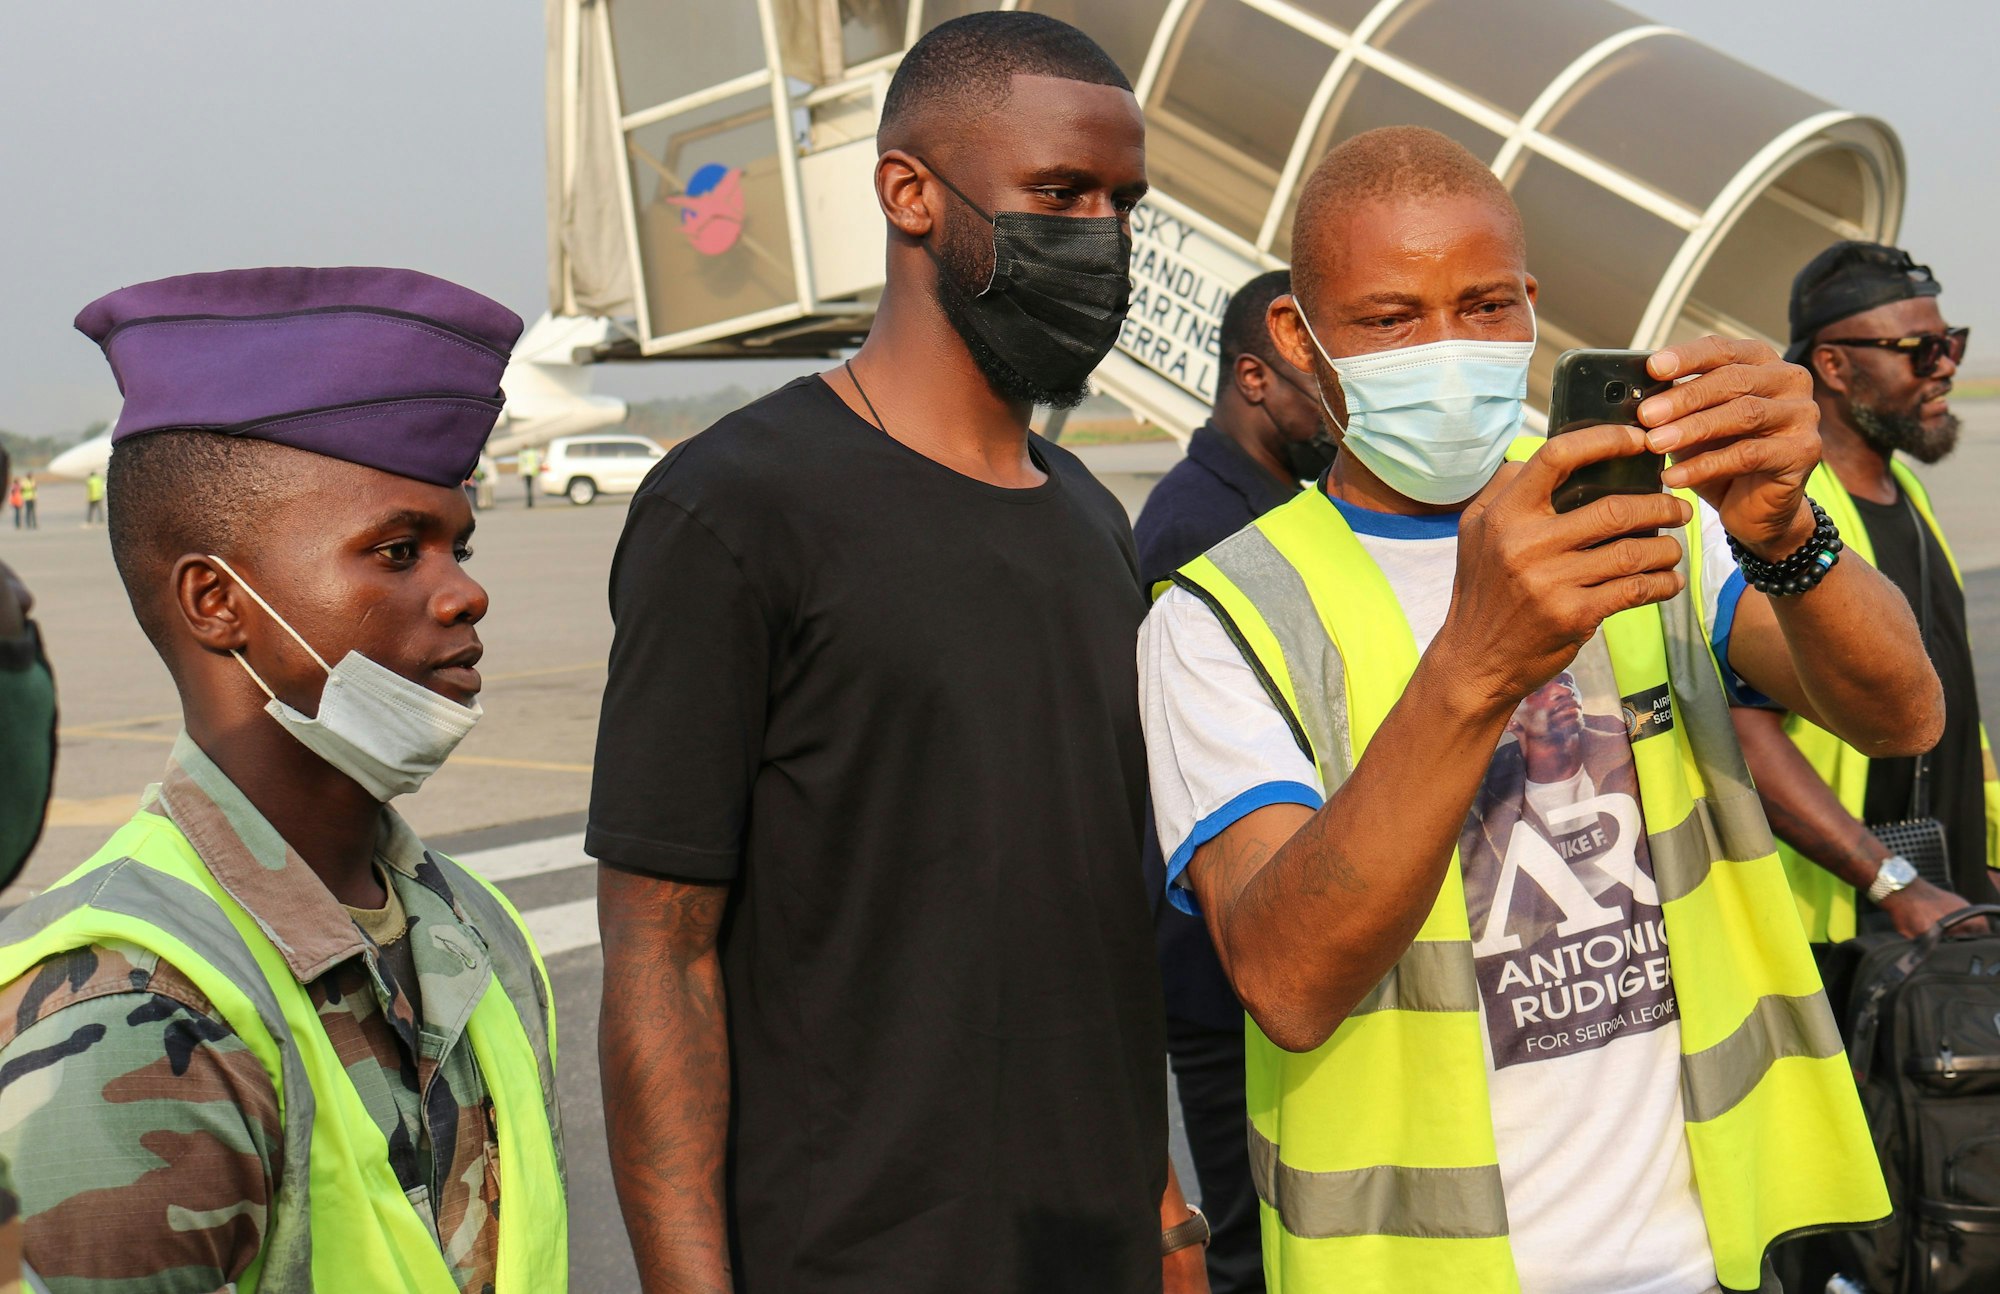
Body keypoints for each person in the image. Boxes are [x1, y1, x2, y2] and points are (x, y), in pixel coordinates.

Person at [1140, 126, 1938, 1293]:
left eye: (1480, 306)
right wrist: (1474, 663)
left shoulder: (1646, 516)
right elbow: (1286, 979)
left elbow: (1899, 714)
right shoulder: (1217, 615)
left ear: (1528, 305)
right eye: (1389, 319)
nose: (1445, 351)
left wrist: (1786, 534)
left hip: (1709, 1252)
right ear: (1297, 339)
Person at [590, 14, 1202, 1294]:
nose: (1100, 236)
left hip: (1096, 1253)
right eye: (1058, 193)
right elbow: (659, 955)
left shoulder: (1092, 520)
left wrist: (1162, 1214)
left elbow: (1083, 916)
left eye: (1122, 202)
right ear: (908, 194)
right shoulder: (733, 510)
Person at [0, 267, 567, 1293]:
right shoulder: (126, 1006)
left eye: (460, 545)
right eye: (399, 551)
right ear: (217, 602)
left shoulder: (477, 929)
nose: (466, 592)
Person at [1135, 267, 1328, 1294]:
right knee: (1257, 1244)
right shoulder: (1200, 526)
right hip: (1226, 969)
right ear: (1255, 378)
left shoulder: (1270, 503)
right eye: (1319, 389)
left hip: (1276, 944)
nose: (1338, 415)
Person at [1733, 242, 1997, 945]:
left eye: (1951, 342)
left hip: (1949, 905)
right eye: (1921, 349)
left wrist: (1989, 854)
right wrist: (1894, 885)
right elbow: (1744, 731)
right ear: (1833, 365)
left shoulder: (1906, 491)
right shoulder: (1775, 520)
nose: (1945, 365)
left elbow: (1952, 694)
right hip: (1844, 928)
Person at [518, 443, 539, 508]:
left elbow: (520, 464)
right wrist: (536, 473)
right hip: (532, 472)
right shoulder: (533, 453)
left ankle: (529, 502)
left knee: (528, 488)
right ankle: (531, 502)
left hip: (525, 472)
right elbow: (536, 463)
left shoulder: (522, 454)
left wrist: (520, 474)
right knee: (530, 487)